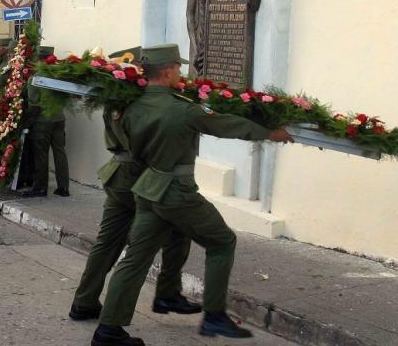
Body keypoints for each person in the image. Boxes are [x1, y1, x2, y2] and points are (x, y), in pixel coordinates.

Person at [91, 44, 293, 345]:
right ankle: (214, 317)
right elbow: (224, 125)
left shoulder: (132, 109)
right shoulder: (181, 109)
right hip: (176, 191)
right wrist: (269, 133)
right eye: (179, 69)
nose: (181, 74)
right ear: (169, 70)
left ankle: (108, 331)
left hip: (147, 190)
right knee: (223, 241)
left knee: (134, 259)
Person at [69, 47, 200, 325]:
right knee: (175, 231)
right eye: (176, 68)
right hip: (143, 179)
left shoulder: (117, 98)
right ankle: (167, 294)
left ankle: (84, 302)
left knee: (107, 243)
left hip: (118, 175)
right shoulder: (147, 101)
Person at [20, 46, 70, 198]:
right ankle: (63, 188)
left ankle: (40, 188)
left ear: (38, 59)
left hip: (43, 121)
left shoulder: (36, 78)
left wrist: (27, 123)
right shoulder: (59, 75)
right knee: (60, 153)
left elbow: (34, 105)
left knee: (41, 155)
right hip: (59, 118)